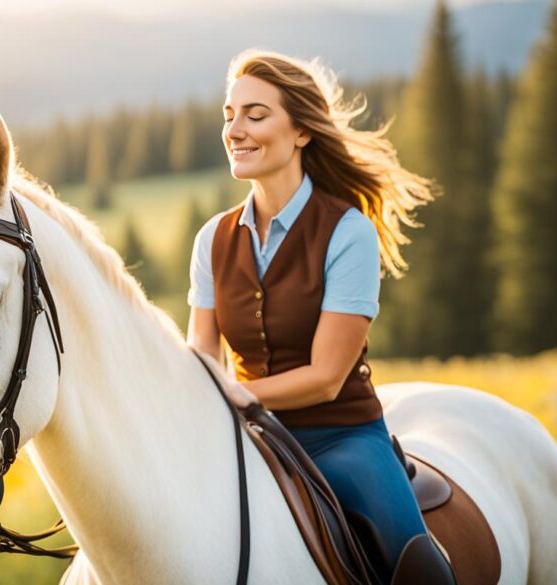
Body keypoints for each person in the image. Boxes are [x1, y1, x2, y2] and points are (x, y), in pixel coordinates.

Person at [186, 49, 454, 583]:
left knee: (416, 566)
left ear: (302, 131)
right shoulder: (211, 239)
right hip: (249, 436)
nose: (235, 129)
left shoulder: (348, 232)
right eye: (229, 114)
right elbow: (201, 355)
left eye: (255, 115)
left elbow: (327, 378)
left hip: (344, 439)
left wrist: (236, 396)